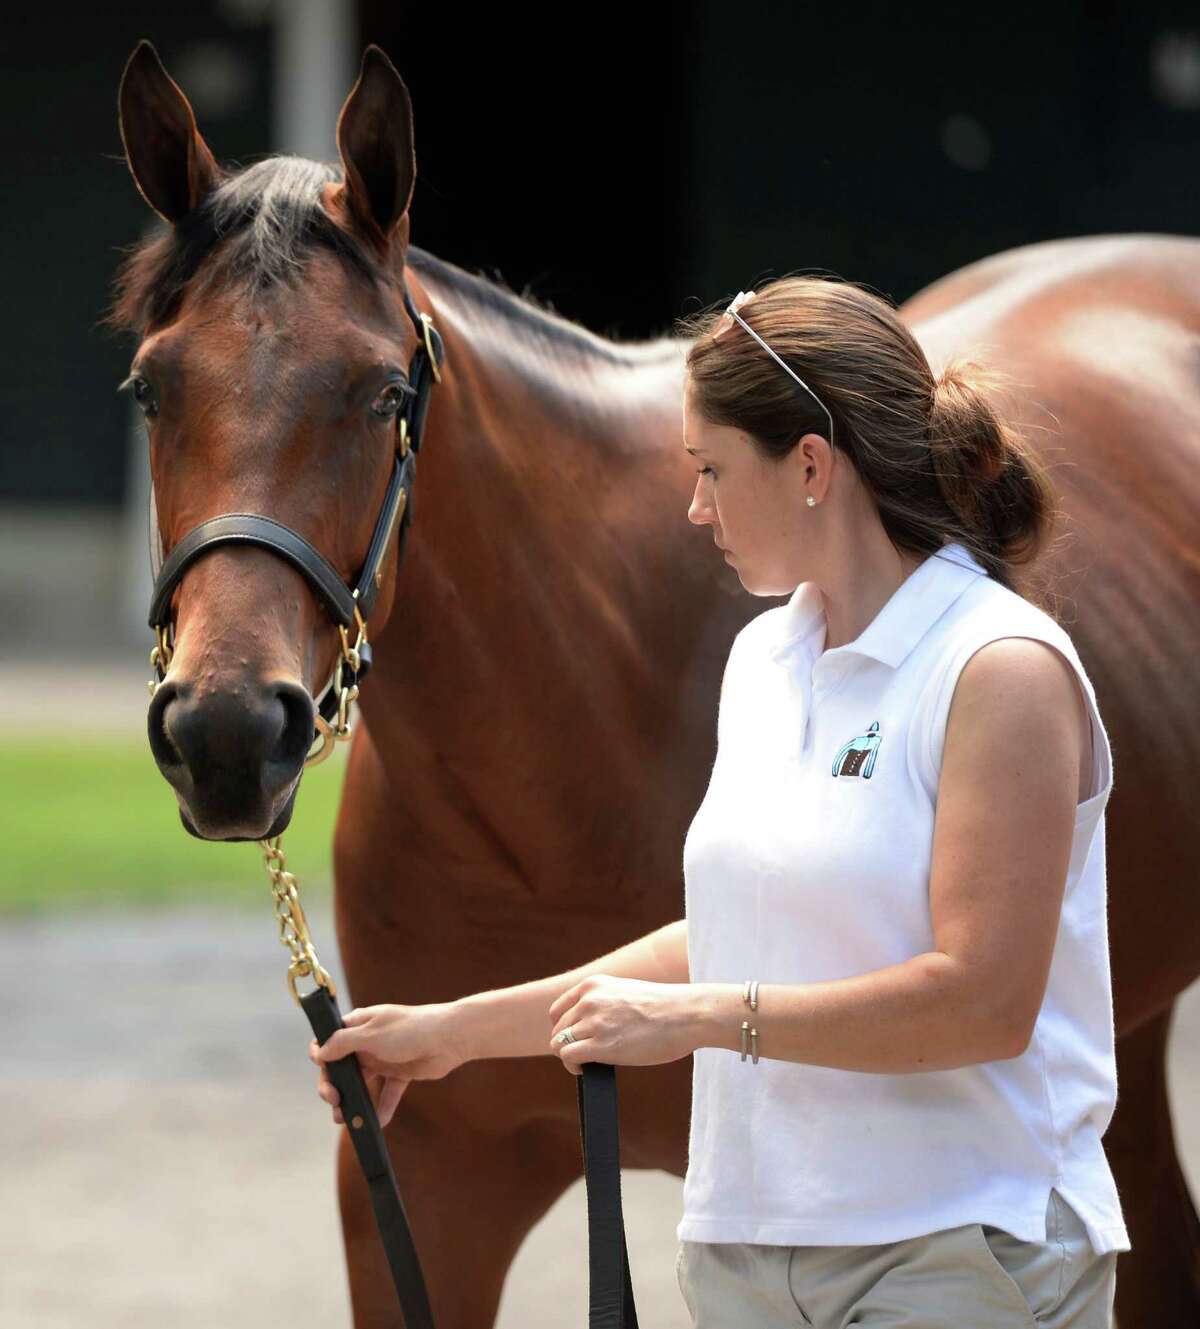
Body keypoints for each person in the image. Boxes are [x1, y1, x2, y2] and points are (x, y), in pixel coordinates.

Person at [312, 276, 1129, 1327]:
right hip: (749, 1258)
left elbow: (982, 1002)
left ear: (810, 468)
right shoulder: (766, 658)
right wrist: (451, 1034)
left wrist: (696, 1022)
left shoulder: (998, 670)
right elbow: (739, 934)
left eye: (710, 470)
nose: (694, 506)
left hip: (964, 1250)